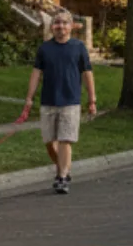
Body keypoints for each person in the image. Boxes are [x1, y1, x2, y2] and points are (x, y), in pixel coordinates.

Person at [17, 10, 96, 194]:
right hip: (48, 101)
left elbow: (87, 73)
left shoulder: (78, 47)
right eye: (57, 23)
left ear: (71, 26)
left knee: (64, 140)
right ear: (53, 26)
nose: (61, 26)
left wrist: (92, 99)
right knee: (49, 141)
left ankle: (62, 177)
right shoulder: (45, 49)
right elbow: (36, 74)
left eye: (64, 23)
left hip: (70, 101)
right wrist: (29, 98)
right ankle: (64, 169)